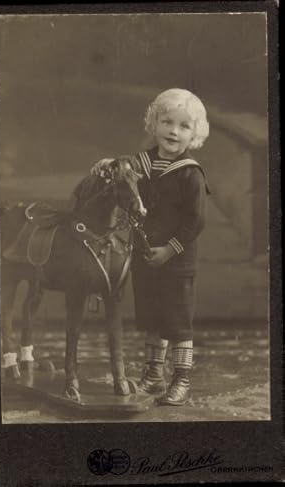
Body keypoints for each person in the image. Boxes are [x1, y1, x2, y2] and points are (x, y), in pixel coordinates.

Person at [92, 88, 210, 406]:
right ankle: (154, 376)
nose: (173, 131)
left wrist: (169, 251)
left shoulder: (190, 174)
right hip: (145, 256)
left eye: (184, 126)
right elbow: (123, 175)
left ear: (195, 133)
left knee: (177, 319)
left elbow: (195, 222)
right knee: (151, 317)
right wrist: (108, 165)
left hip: (176, 260)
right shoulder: (141, 164)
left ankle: (180, 379)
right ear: (154, 124)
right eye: (167, 121)